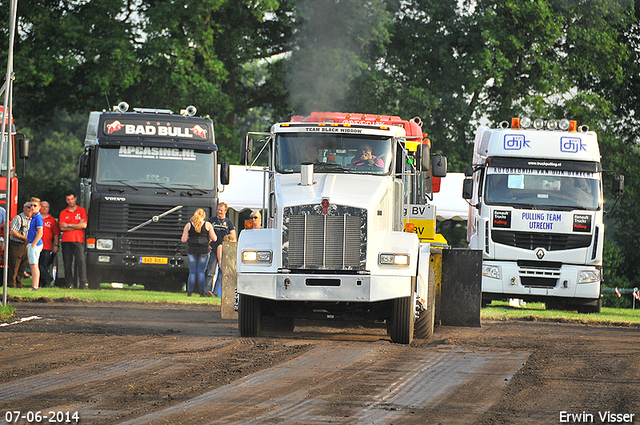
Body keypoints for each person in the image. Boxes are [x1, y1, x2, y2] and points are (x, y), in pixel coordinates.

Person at [181, 208, 216, 297]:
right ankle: (201, 292)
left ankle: (189, 292)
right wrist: (209, 239)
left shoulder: (189, 225)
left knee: (192, 272)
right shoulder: (207, 225)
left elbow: (184, 239)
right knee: (201, 272)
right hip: (204, 250)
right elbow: (215, 238)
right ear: (204, 216)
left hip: (192, 250)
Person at [205, 202, 236, 298]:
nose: (219, 212)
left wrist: (231, 246)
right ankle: (207, 292)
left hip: (225, 251)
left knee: (221, 272)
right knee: (210, 271)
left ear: (225, 211)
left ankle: (215, 292)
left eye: (221, 210)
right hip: (213, 249)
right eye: (218, 209)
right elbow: (205, 234)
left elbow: (233, 236)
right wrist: (207, 244)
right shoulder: (211, 221)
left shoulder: (229, 222)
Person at [59, 193, 88, 289]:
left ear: (75, 199)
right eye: (68, 199)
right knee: (67, 263)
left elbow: (84, 225)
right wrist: (76, 226)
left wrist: (68, 225)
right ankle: (69, 283)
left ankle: (83, 283)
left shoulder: (82, 211)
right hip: (66, 240)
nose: (70, 201)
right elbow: (62, 227)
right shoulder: (63, 212)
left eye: (71, 199)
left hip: (78, 240)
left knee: (81, 261)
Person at [7, 202, 32, 288]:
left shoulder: (32, 219)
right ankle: (12, 284)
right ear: (24, 208)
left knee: (23, 264)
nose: (30, 209)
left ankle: (19, 283)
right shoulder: (18, 218)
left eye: (32, 207)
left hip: (26, 245)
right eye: (29, 207)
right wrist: (24, 237)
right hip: (16, 244)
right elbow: (12, 231)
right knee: (14, 265)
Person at [39, 201, 60, 287]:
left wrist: (56, 245)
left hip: (47, 247)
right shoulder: (36, 217)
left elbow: (56, 234)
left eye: (46, 207)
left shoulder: (52, 220)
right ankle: (46, 278)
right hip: (36, 246)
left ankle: (44, 282)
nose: (44, 208)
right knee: (37, 264)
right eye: (42, 206)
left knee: (43, 265)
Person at [26, 198, 44, 291]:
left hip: (35, 244)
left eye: (35, 205)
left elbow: (40, 232)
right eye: (31, 205)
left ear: (39, 207)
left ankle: (35, 286)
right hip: (32, 243)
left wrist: (33, 244)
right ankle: (34, 285)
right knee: (33, 265)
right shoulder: (33, 217)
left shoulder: (38, 217)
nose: (32, 207)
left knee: (34, 265)